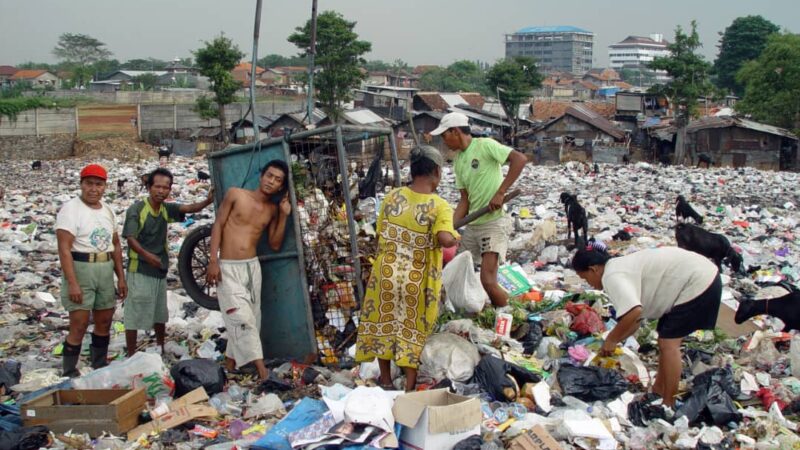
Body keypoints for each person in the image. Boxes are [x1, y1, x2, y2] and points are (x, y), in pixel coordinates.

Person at [355, 146, 459, 391]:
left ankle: (386, 380)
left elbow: (381, 231)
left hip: (386, 275)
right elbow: (445, 239)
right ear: (436, 172)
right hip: (416, 281)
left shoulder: (393, 198)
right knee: (410, 331)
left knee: (385, 324)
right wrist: (454, 238)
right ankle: (409, 387)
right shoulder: (439, 205)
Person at [571, 245, 722, 407]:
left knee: (669, 344)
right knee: (664, 339)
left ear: (593, 269)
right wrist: (611, 342)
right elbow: (635, 321)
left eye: (585, 278)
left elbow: (634, 312)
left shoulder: (611, 276)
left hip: (698, 281)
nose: (589, 284)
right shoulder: (617, 267)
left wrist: (612, 339)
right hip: (700, 276)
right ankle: (657, 391)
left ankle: (668, 403)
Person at [206, 160, 291, 380]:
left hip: (252, 268)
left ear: (281, 186)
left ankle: (230, 364)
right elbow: (218, 224)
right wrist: (213, 261)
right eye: (269, 176)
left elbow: (274, 244)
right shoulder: (236, 195)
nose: (271, 182)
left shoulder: (272, 210)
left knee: (253, 317)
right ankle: (263, 371)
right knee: (242, 318)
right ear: (261, 176)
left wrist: (283, 215)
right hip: (228, 267)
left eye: (277, 180)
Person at [431, 112, 527, 307]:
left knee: (488, 280)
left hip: (494, 222)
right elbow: (464, 201)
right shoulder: (458, 161)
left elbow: (520, 159)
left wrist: (500, 193)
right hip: (473, 225)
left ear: (455, 131)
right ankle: (466, 312)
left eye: (444, 135)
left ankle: (507, 315)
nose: (443, 140)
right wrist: (449, 227)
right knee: (455, 274)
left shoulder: (485, 145)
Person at [123, 168, 214, 356]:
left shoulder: (164, 209)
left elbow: (189, 208)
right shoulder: (138, 210)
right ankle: (131, 354)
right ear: (149, 187)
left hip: (159, 269)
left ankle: (160, 346)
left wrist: (208, 200)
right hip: (139, 268)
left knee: (159, 312)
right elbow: (131, 239)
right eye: (157, 186)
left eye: (166, 187)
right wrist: (148, 256)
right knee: (134, 313)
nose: (161, 191)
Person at [56, 164, 127, 377]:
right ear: (81, 185)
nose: (93, 189)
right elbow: (64, 249)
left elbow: (115, 245)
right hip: (81, 268)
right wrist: (73, 283)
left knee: (104, 320)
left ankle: (99, 365)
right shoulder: (71, 209)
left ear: (105, 187)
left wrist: (120, 278)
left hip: (104, 268)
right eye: (89, 184)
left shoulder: (108, 210)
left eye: (98, 184)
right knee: (79, 323)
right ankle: (69, 371)